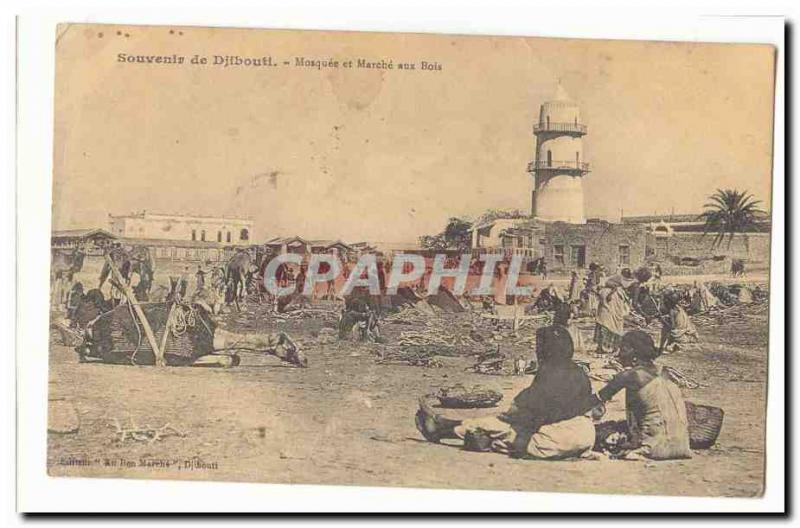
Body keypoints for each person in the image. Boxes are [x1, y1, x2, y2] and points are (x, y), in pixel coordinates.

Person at [415, 318, 598, 460]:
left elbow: (520, 410)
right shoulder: (579, 372)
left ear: (545, 350)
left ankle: (444, 429)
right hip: (586, 435)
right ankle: (449, 427)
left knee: (498, 427)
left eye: (539, 346)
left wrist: (511, 416)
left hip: (554, 440)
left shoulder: (549, 373)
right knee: (505, 426)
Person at [591, 331, 691, 460]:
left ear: (633, 352)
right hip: (681, 444)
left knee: (599, 432)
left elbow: (594, 400)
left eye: (622, 349)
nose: (619, 354)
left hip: (653, 448)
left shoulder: (630, 376)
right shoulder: (665, 371)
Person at [593, 278, 630, 355]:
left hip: (607, 314)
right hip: (614, 315)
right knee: (612, 331)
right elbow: (625, 302)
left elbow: (602, 301)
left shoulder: (604, 291)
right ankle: (612, 348)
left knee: (604, 331)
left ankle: (603, 348)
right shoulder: (620, 292)